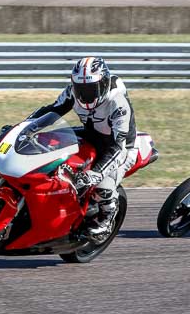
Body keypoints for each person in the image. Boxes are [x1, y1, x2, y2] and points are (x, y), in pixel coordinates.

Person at [29, 56, 137, 240]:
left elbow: (119, 148)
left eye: (91, 89)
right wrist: (25, 127)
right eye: (81, 89)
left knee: (101, 184)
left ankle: (107, 217)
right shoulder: (72, 92)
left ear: (103, 84)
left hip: (120, 147)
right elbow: (52, 110)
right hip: (92, 134)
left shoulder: (117, 103)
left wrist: (95, 173)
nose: (85, 95)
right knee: (50, 143)